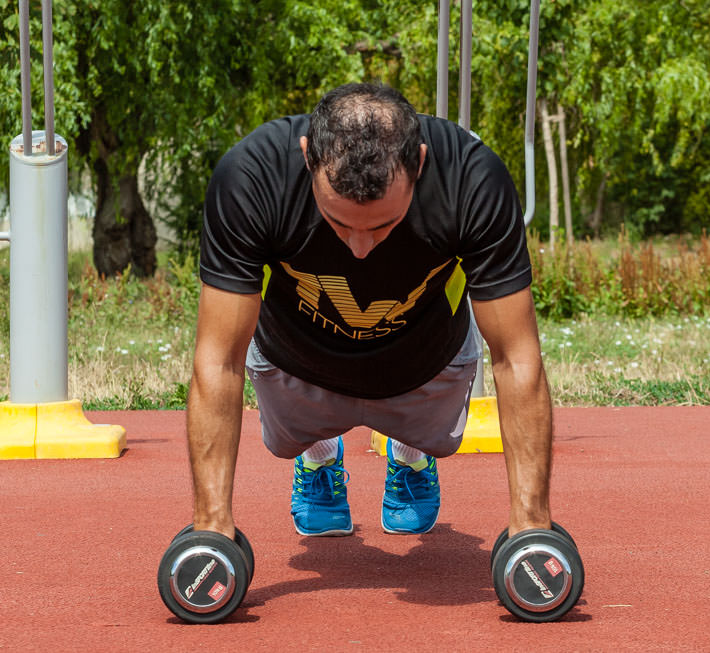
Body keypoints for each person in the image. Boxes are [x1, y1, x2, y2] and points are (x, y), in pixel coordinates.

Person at [187, 82, 553, 542]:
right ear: (307, 157)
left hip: (425, 363)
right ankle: (318, 455)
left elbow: (516, 357)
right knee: (284, 442)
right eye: (339, 222)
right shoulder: (253, 176)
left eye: (384, 225)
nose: (361, 250)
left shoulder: (470, 178)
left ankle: (410, 454)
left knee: (439, 440)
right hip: (297, 363)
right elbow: (218, 359)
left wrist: (532, 528)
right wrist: (211, 530)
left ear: (418, 164)